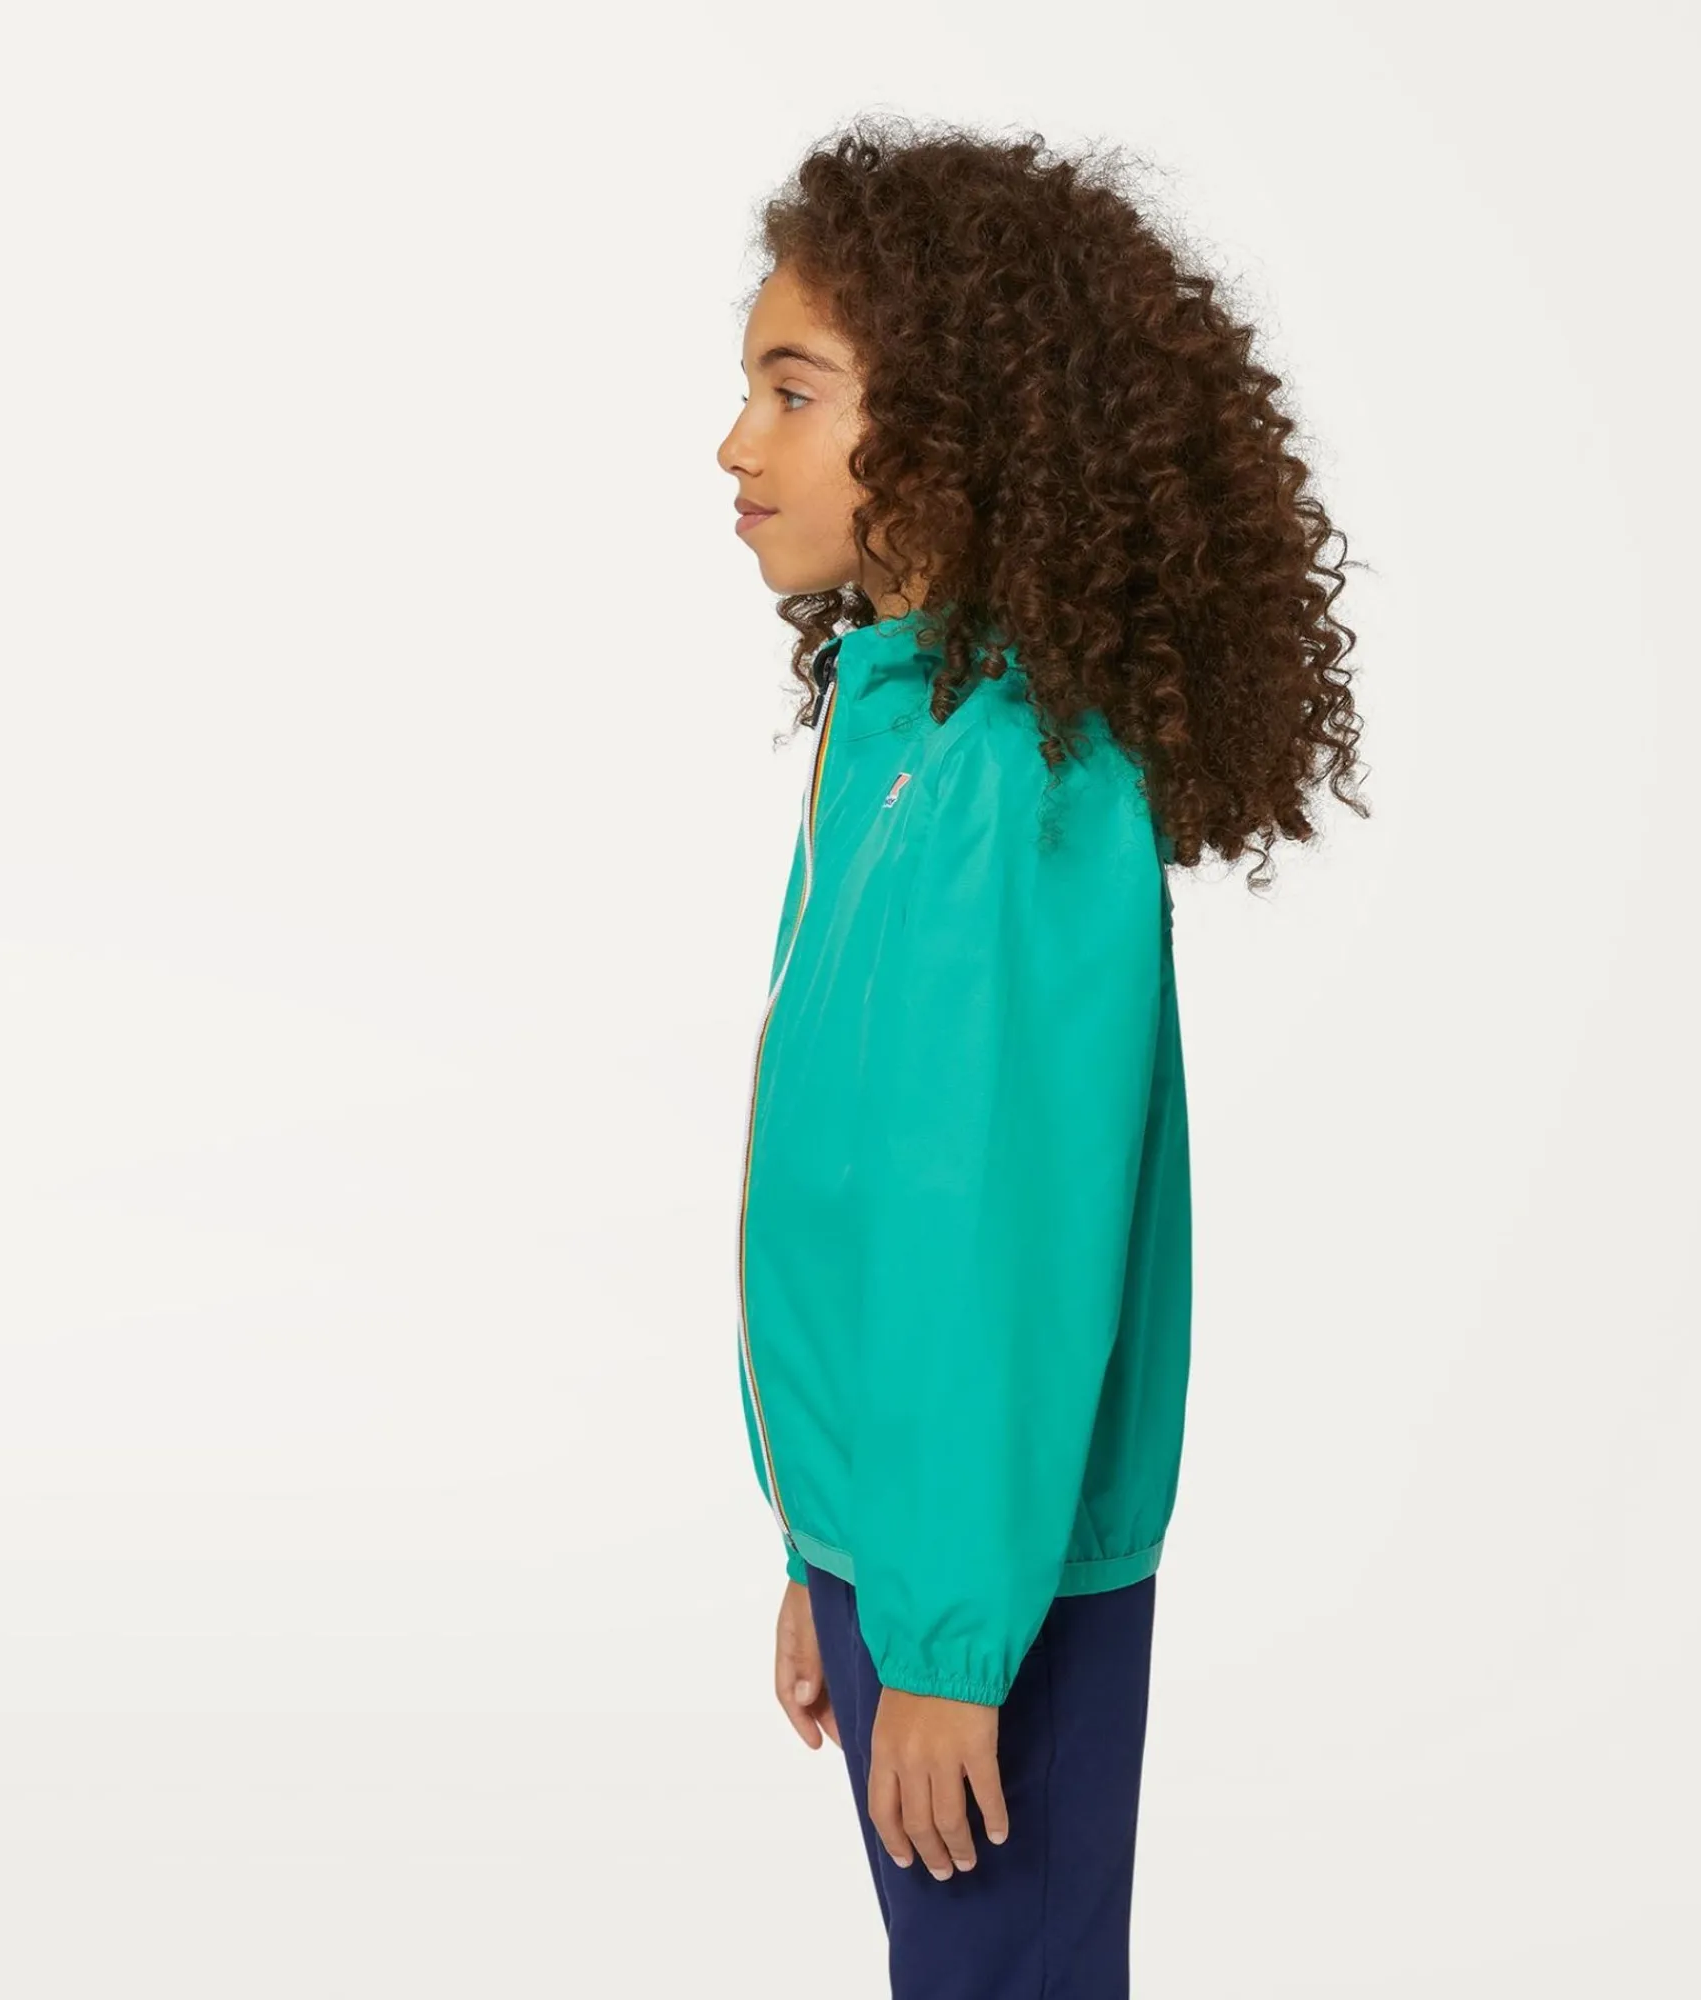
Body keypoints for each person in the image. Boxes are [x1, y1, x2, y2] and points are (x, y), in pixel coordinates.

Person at [715, 117, 1368, 1999]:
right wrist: (832, 1554)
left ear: (955, 439)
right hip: (917, 1556)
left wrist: (945, 1636)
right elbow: (855, 1187)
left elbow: (995, 1238)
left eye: (793, 393)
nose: (739, 446)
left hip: (984, 1590)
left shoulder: (1019, 780)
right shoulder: (899, 733)